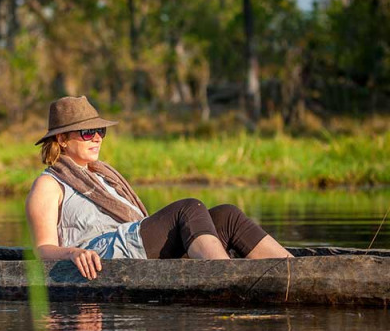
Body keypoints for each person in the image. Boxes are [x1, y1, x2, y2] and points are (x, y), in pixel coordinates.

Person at [25, 96, 292, 279]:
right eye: (86, 132)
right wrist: (74, 253)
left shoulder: (103, 176)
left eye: (100, 131)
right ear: (61, 139)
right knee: (188, 208)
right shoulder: (48, 185)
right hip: (103, 256)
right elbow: (42, 250)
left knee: (227, 215)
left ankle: (295, 270)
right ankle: (225, 278)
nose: (96, 137)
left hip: (132, 243)